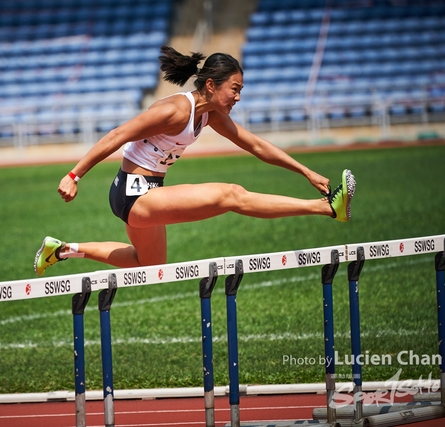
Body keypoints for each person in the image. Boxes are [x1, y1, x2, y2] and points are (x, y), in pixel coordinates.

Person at [33, 46, 355, 276]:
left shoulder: (210, 114)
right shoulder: (173, 111)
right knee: (231, 195)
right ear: (212, 85)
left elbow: (255, 145)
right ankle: (327, 208)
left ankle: (62, 250)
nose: (238, 97)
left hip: (146, 192)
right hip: (134, 194)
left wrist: (305, 171)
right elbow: (117, 135)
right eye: (235, 89)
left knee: (150, 266)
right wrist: (73, 175)